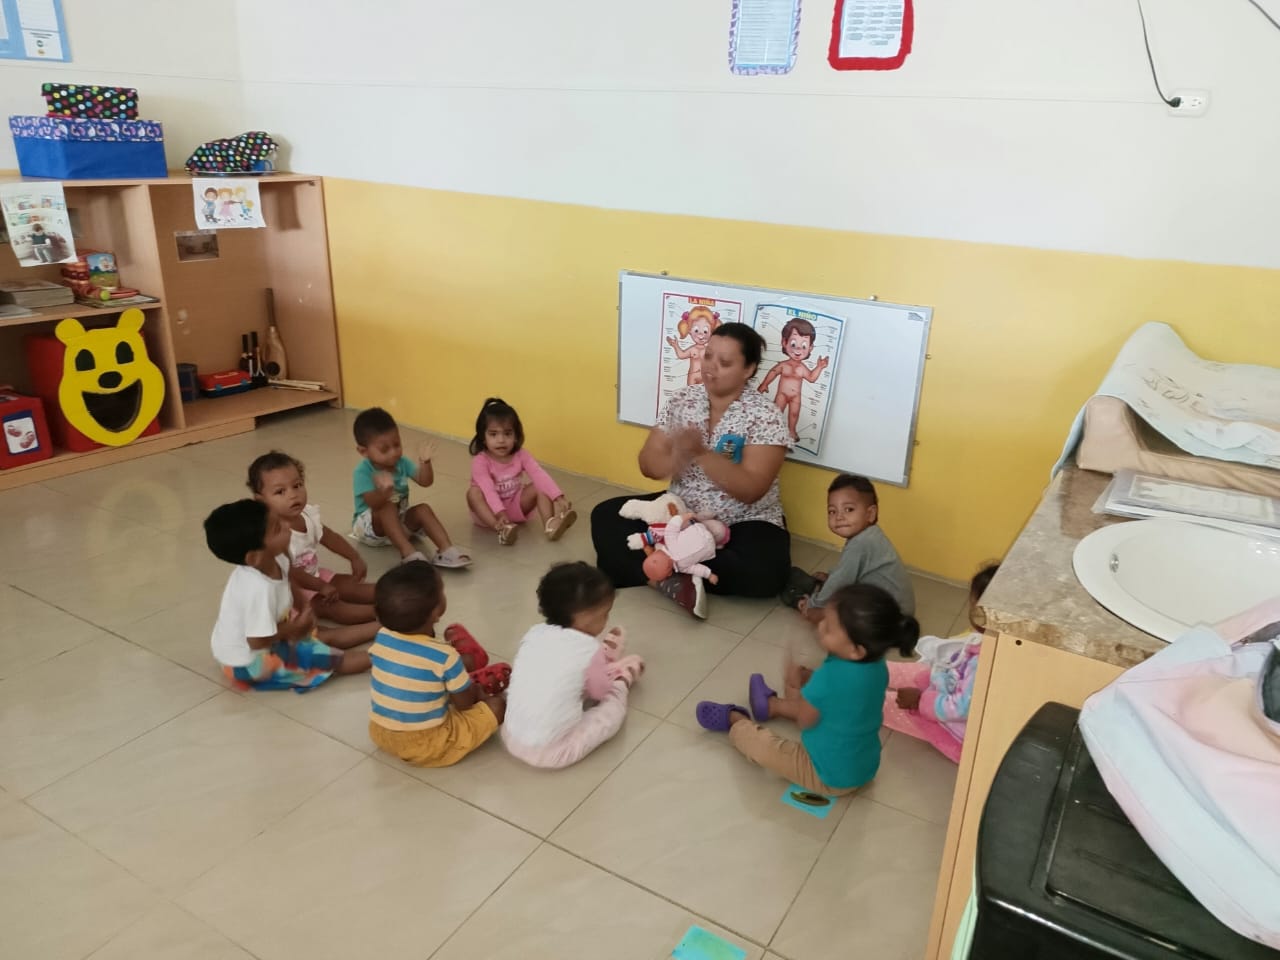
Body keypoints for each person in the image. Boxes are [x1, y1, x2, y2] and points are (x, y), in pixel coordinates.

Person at [590, 321, 793, 618]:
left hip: (742, 520)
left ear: (748, 370)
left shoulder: (766, 415)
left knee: (767, 571)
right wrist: (676, 457)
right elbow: (648, 464)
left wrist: (701, 454)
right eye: (708, 356)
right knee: (605, 516)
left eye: (725, 362)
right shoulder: (683, 400)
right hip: (680, 514)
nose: (710, 366)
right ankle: (678, 575)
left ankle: (658, 566)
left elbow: (751, 490)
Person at [695, 584, 918, 794]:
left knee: (764, 748)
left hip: (826, 775)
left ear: (856, 650)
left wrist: (793, 679)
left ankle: (736, 721)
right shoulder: (878, 666)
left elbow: (805, 721)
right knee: (826, 705)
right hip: (866, 767)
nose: (820, 627)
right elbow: (846, 697)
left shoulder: (827, 677)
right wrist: (809, 680)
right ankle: (771, 706)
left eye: (829, 628)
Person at [204, 499, 372, 692]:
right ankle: (389, 657)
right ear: (254, 557)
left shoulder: (275, 557)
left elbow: (289, 580)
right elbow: (257, 641)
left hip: (271, 637)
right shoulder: (258, 589)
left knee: (323, 637)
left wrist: (304, 606)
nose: (287, 525)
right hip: (248, 662)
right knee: (331, 659)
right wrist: (293, 629)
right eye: (277, 528)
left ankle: (384, 626)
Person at [502, 562, 645, 769]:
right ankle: (621, 678)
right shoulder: (588, 650)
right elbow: (598, 692)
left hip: (511, 735)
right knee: (610, 715)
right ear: (585, 618)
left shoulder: (534, 633)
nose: (606, 620)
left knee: (558, 679)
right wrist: (608, 681)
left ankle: (600, 663)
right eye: (604, 614)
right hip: (553, 752)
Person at [366, 561, 505, 766]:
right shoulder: (444, 655)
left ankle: (459, 680)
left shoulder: (383, 636)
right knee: (497, 706)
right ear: (436, 612)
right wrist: (477, 694)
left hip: (381, 733)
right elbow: (464, 706)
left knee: (427, 678)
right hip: (430, 744)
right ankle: (468, 682)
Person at [248, 451, 378, 637]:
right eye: (280, 491)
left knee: (350, 585)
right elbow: (292, 572)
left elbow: (329, 537)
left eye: (297, 485)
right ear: (261, 500)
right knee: (334, 608)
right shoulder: (271, 536)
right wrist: (320, 586)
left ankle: (395, 596)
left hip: (314, 576)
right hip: (292, 592)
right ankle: (382, 614)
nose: (293, 495)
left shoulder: (307, 516)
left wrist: (354, 557)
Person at [883, 563, 1000, 762]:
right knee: (904, 672)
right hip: (947, 687)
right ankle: (864, 672)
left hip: (951, 722)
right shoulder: (997, 641)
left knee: (881, 704)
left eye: (973, 606)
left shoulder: (987, 664)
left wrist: (919, 701)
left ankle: (845, 696)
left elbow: (961, 708)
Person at [350, 406, 471, 568]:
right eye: (384, 449)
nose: (394, 452)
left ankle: (446, 551)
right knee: (387, 507)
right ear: (363, 451)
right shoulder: (363, 471)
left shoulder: (401, 463)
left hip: (398, 521)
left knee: (423, 509)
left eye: (397, 444)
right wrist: (384, 493)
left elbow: (425, 481)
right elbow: (373, 503)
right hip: (370, 530)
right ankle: (408, 554)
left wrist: (425, 463)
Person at [783, 474, 915, 621]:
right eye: (832, 511)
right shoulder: (871, 535)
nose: (839, 517)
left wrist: (814, 605)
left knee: (819, 611)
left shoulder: (861, 543)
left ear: (870, 514)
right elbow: (848, 572)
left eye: (849, 509)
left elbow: (841, 579)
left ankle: (801, 602)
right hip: (897, 609)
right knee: (806, 579)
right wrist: (831, 577)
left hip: (886, 617)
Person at [466, 397, 577, 545]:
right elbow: (488, 490)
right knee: (473, 493)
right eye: (493, 434)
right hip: (490, 513)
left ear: (516, 436)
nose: (501, 440)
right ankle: (502, 529)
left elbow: (539, 474)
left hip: (515, 506)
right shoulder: (480, 461)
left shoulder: (521, 455)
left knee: (539, 485)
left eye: (507, 434)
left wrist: (558, 497)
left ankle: (550, 525)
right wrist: (500, 513)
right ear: (483, 438)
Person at [756, 316, 829, 441]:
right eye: (793, 344)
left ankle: (792, 431)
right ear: (784, 342)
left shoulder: (802, 368)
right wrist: (764, 384)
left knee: (794, 414)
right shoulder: (783, 365)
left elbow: (811, 378)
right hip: (782, 394)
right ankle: (771, 429)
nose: (798, 349)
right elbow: (773, 372)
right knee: (776, 412)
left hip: (796, 396)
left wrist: (819, 367)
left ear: (810, 348)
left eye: (804, 346)